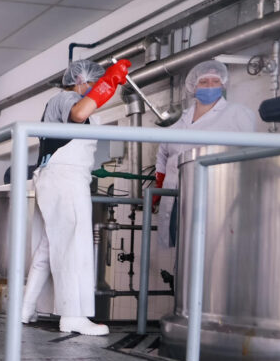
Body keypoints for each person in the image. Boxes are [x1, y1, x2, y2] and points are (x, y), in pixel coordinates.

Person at [21, 59, 131, 336]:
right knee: (75, 245)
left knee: (48, 248)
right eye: (93, 83)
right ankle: (73, 317)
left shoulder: (61, 101)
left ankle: (25, 309)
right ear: (81, 80)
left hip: (56, 178)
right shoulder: (67, 97)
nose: (94, 90)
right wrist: (109, 82)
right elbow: (80, 114)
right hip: (65, 179)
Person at [153, 60, 257, 252]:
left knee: (211, 251)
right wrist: (159, 184)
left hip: (216, 194)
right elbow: (163, 154)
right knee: (182, 253)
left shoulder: (238, 114)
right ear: (193, 86)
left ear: (223, 84)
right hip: (176, 196)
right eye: (204, 82)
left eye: (215, 81)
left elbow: (249, 157)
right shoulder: (180, 120)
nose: (210, 86)